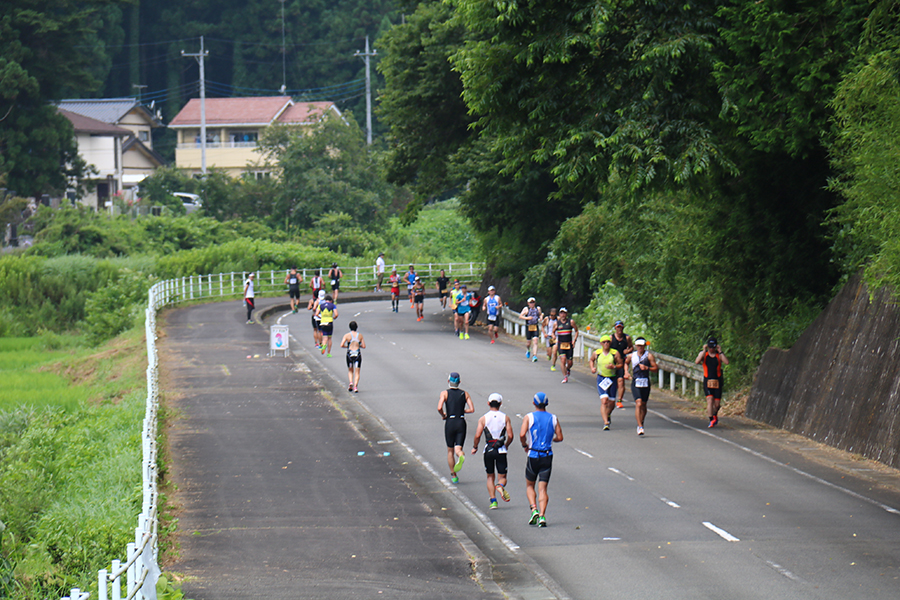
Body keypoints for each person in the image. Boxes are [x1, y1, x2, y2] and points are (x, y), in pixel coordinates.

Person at [520, 392, 563, 528]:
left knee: (529, 485)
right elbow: (560, 437)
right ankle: (543, 515)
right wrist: (551, 439)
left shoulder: (529, 417)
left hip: (533, 454)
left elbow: (522, 434)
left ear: (534, 403)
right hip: (547, 455)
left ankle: (534, 510)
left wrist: (525, 445)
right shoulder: (553, 418)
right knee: (543, 488)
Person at [470, 393, 514, 509]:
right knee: (502, 476)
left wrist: (475, 446)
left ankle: (493, 501)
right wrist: (506, 445)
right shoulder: (505, 418)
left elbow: (478, 435)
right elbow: (510, 435)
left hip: (488, 450)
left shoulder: (483, 418)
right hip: (501, 450)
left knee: (490, 476)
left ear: (488, 403)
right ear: (500, 404)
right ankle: (500, 485)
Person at [437, 372, 475, 484]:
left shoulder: (444, 393)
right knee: (458, 448)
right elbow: (472, 409)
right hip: (461, 421)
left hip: (450, 421)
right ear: (459, 382)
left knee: (450, 450)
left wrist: (444, 415)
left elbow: (439, 407)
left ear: (448, 381)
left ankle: (453, 475)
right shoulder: (465, 393)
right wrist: (461, 411)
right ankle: (461, 455)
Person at [625, 337, 658, 436]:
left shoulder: (649, 356)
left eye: (642, 345)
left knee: (643, 404)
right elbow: (625, 363)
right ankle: (640, 426)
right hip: (636, 382)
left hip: (645, 382)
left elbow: (655, 368)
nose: (640, 347)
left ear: (644, 346)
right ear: (636, 346)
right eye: (638, 345)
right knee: (638, 403)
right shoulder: (632, 356)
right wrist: (626, 372)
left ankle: (641, 421)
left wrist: (647, 368)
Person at [590, 335, 624, 430]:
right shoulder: (597, 353)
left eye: (608, 342)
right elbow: (591, 360)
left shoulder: (614, 353)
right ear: (601, 343)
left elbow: (621, 364)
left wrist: (614, 367)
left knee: (612, 403)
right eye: (604, 342)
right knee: (604, 401)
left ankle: (607, 414)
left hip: (612, 379)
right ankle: (606, 422)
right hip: (601, 379)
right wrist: (592, 368)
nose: (606, 344)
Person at [695, 338, 729, 428]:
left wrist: (720, 351)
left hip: (717, 381)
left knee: (717, 404)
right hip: (707, 380)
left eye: (713, 347)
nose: (711, 349)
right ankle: (711, 420)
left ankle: (714, 415)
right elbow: (697, 361)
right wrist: (703, 350)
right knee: (710, 400)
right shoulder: (704, 355)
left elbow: (726, 362)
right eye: (710, 347)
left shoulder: (719, 355)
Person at [609, 320, 634, 408]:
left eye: (621, 327)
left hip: (622, 362)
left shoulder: (626, 338)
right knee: (611, 381)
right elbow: (606, 347)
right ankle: (610, 397)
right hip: (612, 362)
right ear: (615, 328)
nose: (619, 329)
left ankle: (619, 400)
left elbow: (631, 347)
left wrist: (627, 351)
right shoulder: (611, 338)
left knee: (621, 381)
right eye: (618, 327)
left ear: (623, 328)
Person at [340, 321, 366, 392]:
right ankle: (355, 387)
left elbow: (341, 345)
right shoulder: (360, 335)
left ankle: (350, 382)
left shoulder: (347, 335)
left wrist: (347, 346)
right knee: (357, 372)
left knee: (350, 370)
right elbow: (364, 346)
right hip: (357, 354)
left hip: (350, 354)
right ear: (356, 327)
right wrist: (358, 345)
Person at [555, 308, 579, 383]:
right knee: (562, 360)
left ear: (566, 314)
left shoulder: (571, 322)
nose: (563, 315)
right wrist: (553, 337)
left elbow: (576, 331)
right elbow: (553, 332)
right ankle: (565, 376)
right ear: (559, 314)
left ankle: (568, 369)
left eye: (564, 313)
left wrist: (574, 341)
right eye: (561, 313)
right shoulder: (557, 323)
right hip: (561, 344)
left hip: (569, 344)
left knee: (570, 362)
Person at [519, 297, 542, 362]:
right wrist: (527, 318)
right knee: (528, 343)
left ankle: (534, 355)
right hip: (529, 327)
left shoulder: (538, 308)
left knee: (535, 341)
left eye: (533, 302)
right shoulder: (526, 309)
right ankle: (528, 350)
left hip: (535, 326)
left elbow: (540, 314)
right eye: (530, 303)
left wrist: (540, 318)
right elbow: (520, 316)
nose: (532, 304)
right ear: (528, 303)